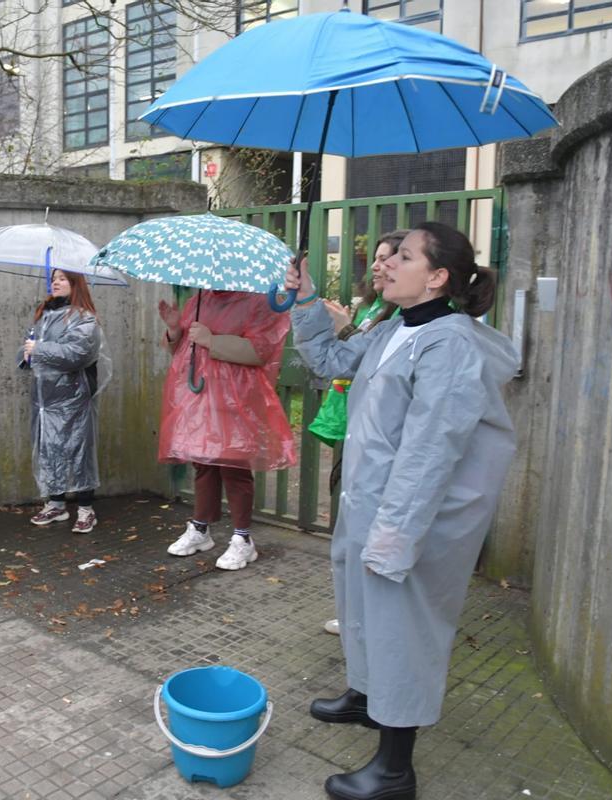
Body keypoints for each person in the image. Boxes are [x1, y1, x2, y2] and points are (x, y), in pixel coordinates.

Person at [286, 222, 519, 800]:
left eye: (402, 257)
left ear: (437, 277)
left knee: (403, 629)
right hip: (372, 502)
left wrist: (394, 536)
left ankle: (394, 770)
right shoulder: (397, 328)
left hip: (415, 516)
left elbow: (431, 450)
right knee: (362, 604)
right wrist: (307, 296)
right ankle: (368, 695)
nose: (384, 264)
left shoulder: (450, 343)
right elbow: (330, 359)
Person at [309, 230, 406, 637]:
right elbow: (341, 362)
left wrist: (344, 327)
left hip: (376, 440)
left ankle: (368, 619)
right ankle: (355, 613)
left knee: (368, 531)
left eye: (393, 258)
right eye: (378, 258)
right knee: (346, 526)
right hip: (350, 426)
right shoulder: (376, 311)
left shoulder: (407, 321)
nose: (380, 265)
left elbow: (370, 366)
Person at [159, 288, 296, 570]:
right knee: (204, 463)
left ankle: (243, 539)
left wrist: (211, 340)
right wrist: (175, 329)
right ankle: (200, 528)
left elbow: (261, 350)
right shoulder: (200, 299)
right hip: (200, 396)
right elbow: (185, 350)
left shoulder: (258, 302)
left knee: (235, 467)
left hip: (237, 397)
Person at [21, 269, 111, 534]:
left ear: (76, 284)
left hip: (74, 397)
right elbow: (27, 345)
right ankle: (56, 504)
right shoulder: (44, 315)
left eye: (62, 278)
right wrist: (27, 354)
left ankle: (86, 509)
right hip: (44, 399)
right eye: (53, 279)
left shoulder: (84, 318)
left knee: (78, 451)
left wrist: (39, 350)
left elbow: (78, 353)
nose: (55, 283)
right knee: (49, 451)